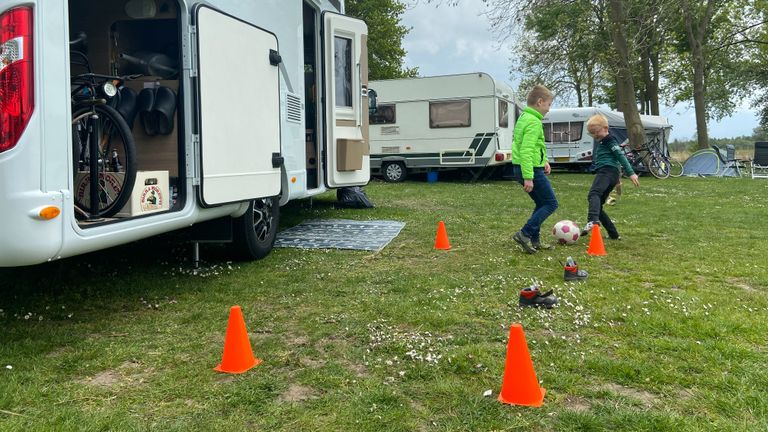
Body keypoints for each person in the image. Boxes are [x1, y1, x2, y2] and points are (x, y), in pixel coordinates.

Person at [511, 85, 557, 254]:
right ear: (540, 102)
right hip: (529, 170)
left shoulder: (524, 118)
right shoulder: (533, 121)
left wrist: (544, 161)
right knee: (551, 203)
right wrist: (528, 176)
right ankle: (524, 233)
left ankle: (535, 240)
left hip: (525, 167)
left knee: (541, 203)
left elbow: (534, 146)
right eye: (549, 104)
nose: (549, 109)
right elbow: (526, 150)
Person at [581, 114, 639, 240]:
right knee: (598, 206)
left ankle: (592, 221)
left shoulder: (609, 140)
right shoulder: (603, 141)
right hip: (610, 173)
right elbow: (614, 160)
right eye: (591, 133)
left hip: (607, 172)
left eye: (596, 132)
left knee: (593, 194)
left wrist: (631, 173)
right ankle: (613, 234)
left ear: (605, 128)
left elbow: (620, 156)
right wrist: (617, 180)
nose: (594, 135)